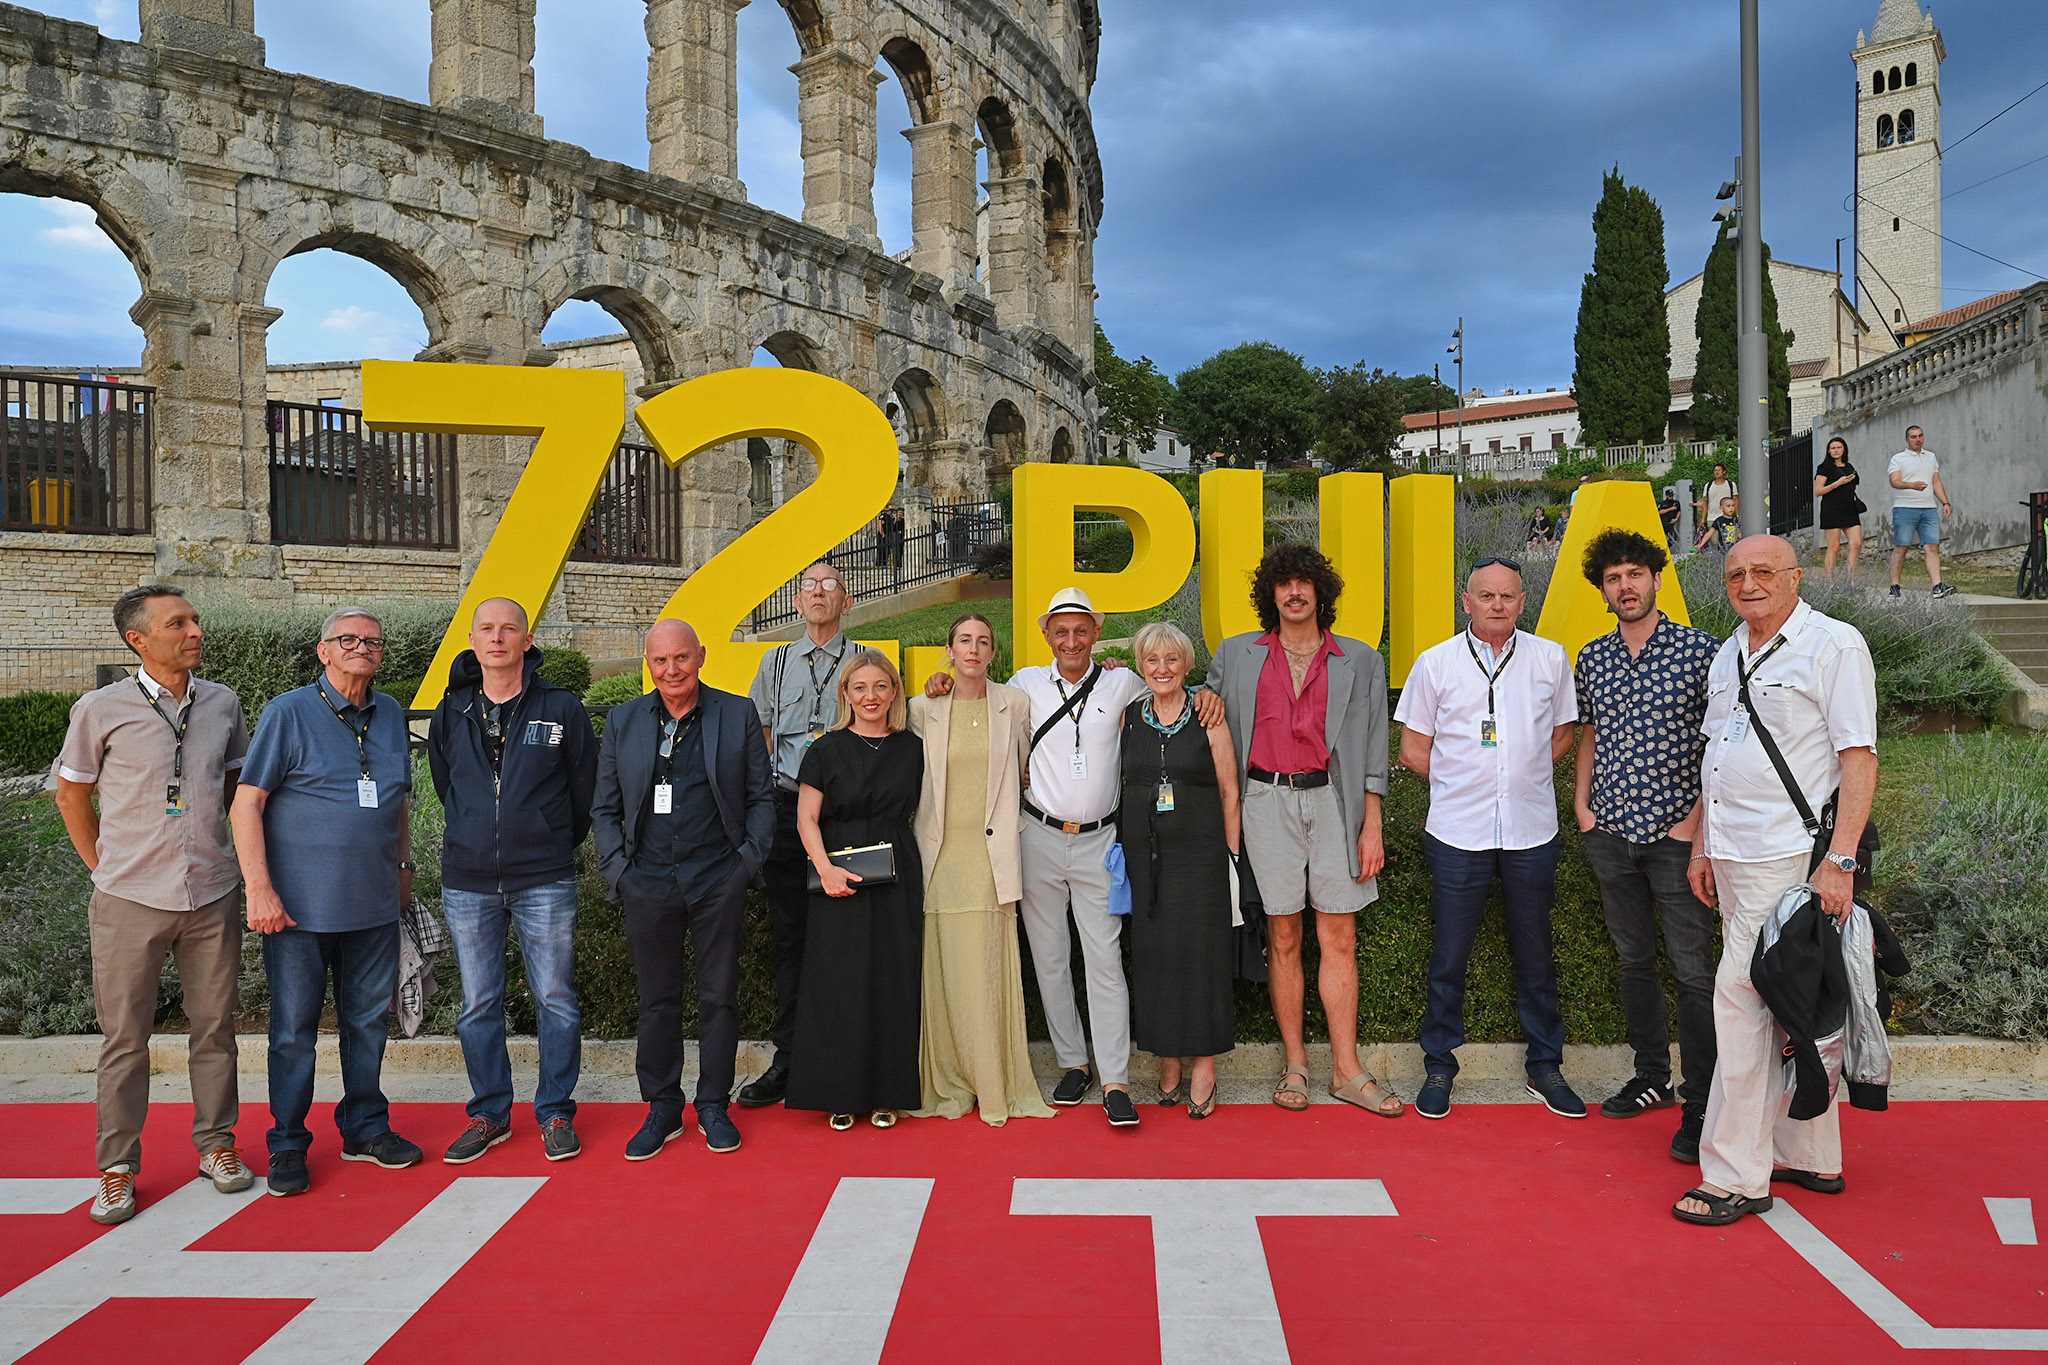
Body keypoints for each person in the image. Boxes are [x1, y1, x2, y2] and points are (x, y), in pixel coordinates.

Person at [928, 587, 1221, 1126]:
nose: (1071, 640)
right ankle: (1073, 1063)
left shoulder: (1122, 683)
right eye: (1060, 631)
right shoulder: (1024, 684)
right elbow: (975, 694)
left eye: (1081, 630)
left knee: (1104, 960)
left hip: (1100, 842)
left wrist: (1207, 694)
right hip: (1036, 836)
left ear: (1095, 633)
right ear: (1046, 635)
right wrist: (941, 681)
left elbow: (1169, 686)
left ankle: (1115, 1080)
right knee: (1050, 957)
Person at [1674, 535, 1878, 1226]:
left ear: (1796, 576)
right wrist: (1702, 844)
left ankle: (1734, 1175)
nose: (1749, 583)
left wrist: (1840, 860)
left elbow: (1859, 758)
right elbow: (1718, 751)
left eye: (1764, 570)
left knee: (1741, 1002)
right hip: (1733, 854)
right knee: (1789, 999)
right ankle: (1809, 1153)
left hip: (1790, 857)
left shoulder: (1834, 645)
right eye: (1736, 573)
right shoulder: (1729, 650)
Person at [54, 586, 252, 1225]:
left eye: (195, 619)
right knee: (125, 1039)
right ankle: (117, 1169)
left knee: (216, 1030)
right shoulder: (99, 709)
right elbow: (71, 796)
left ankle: (216, 1145)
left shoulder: (222, 703)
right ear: (138, 640)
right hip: (129, 899)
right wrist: (103, 869)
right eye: (178, 623)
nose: (195, 631)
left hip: (211, 893)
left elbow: (236, 789)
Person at [1204, 544, 1400, 1118]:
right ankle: (1295, 1064)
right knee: (1283, 935)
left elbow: (1374, 749)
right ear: (1271, 594)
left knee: (1340, 937)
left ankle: (1346, 1070)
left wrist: (1372, 824)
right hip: (1264, 801)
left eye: (1303, 582)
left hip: (1335, 802)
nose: (1294, 592)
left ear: (1320, 591)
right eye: (1283, 583)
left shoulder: (1360, 660)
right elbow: (1198, 709)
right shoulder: (1236, 655)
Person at [232, 607, 423, 1197]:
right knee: (293, 1032)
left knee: (368, 1026)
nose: (361, 647)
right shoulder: (288, 712)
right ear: (324, 651)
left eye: (372, 641)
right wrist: (259, 888)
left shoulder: (391, 714)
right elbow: (246, 803)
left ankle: (365, 1128)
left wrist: (405, 870)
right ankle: (288, 1143)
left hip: (373, 907)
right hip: (297, 911)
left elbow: (396, 802)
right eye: (348, 639)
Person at [1395, 559, 1584, 1120]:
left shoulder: (1550, 658)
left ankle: (1545, 1066)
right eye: (1486, 595)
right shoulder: (1436, 663)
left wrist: (1521, 774)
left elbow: (1564, 734)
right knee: (1449, 957)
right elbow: (1413, 750)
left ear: (1523, 601)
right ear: (1467, 601)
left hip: (1532, 829)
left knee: (1536, 955)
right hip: (1457, 832)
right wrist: (1464, 781)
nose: (1497, 604)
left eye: (1507, 596)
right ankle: (1439, 1067)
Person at [592, 619, 773, 1160]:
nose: (671, 670)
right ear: (648, 664)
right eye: (660, 660)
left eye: (681, 658)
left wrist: (744, 865)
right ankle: (663, 1106)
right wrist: (619, 872)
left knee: (719, 997)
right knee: (657, 1000)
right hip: (646, 879)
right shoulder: (624, 720)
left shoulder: (737, 713)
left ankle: (714, 1103)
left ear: (701, 656)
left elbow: (761, 797)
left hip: (718, 876)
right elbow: (604, 807)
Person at [425, 597, 598, 1164]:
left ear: (528, 640)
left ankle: (555, 1113)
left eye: (509, 629)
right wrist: (478, 831)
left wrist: (547, 836)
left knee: (556, 999)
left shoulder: (562, 707)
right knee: (478, 1003)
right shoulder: (451, 710)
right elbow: (446, 784)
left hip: (544, 877)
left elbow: (583, 791)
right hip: (468, 880)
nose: (497, 638)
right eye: (487, 629)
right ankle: (490, 1114)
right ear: (472, 640)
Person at [1572, 530, 1721, 1162]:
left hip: (1676, 838)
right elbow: (1590, 733)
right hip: (1610, 832)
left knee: (1693, 973)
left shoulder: (1701, 652)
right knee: (1634, 962)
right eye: (1613, 578)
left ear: (1657, 579)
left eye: (1635, 573)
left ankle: (1702, 1101)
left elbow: (1720, 746)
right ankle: (1651, 1076)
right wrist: (1583, 807)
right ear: (1603, 591)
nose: (1625, 586)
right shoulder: (1593, 657)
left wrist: (1695, 825)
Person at [906, 614, 1052, 1125]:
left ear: (993, 653)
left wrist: (1118, 670)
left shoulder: (1016, 703)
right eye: (964, 641)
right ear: (949, 650)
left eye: (983, 642)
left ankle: (992, 1079)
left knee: (987, 972)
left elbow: (1038, 759)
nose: (973, 649)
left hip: (993, 861)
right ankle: (948, 1080)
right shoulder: (921, 709)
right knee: (945, 972)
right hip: (940, 860)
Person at [788, 651, 926, 1130]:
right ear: (845, 693)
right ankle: (840, 1094)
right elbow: (806, 818)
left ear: (894, 692)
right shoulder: (824, 750)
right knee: (839, 983)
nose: (871, 696)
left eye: (881, 686)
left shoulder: (913, 748)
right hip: (837, 874)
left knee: (893, 979)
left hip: (898, 873)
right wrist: (824, 869)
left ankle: (889, 1093)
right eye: (860, 687)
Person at [739, 562, 855, 1109]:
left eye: (829, 585)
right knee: (792, 942)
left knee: (846, 941)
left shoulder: (864, 662)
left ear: (846, 600)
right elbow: (761, 739)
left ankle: (844, 1061)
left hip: (844, 820)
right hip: (787, 814)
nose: (818, 592)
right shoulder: (776, 661)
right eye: (809, 585)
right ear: (797, 600)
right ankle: (788, 1059)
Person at [1120, 622, 1242, 1119]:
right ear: (1140, 666)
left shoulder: (1209, 714)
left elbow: (1230, 792)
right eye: (1152, 660)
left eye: (1172, 659)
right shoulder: (1131, 716)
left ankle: (1204, 1066)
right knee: (1155, 958)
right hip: (1144, 859)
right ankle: (1167, 1058)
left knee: (1202, 957)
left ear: (1187, 665)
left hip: (1202, 857)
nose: (1162, 668)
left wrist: (1231, 858)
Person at [1887, 424, 1955, 599]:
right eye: (1913, 437)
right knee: (1902, 547)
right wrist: (1911, 485)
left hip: (1928, 509)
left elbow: (1936, 482)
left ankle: (1937, 586)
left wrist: (1945, 502)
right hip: (1905, 508)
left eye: (1920, 436)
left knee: (1932, 546)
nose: (1917, 440)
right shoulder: (1898, 458)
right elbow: (1894, 481)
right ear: (1907, 439)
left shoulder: (1931, 457)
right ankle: (1894, 585)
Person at [1814, 437, 1864, 582]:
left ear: (1844, 449)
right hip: (1832, 510)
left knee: (1856, 543)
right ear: (1828, 451)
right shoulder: (1824, 468)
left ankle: (1851, 579)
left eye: (1839, 447)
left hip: (1849, 509)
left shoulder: (1849, 467)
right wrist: (1837, 483)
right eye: (1833, 448)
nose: (1836, 450)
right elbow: (1818, 491)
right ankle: (1830, 581)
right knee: (1834, 546)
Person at [1701, 462, 1737, 527]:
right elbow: (1705, 503)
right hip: (1712, 518)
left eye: (1719, 470)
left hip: (1727, 518)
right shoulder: (1708, 486)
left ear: (1724, 472)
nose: (1717, 472)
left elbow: (1735, 500)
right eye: (1715, 470)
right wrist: (1703, 519)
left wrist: (1737, 515)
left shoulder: (1731, 485)